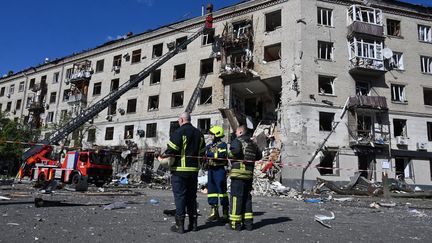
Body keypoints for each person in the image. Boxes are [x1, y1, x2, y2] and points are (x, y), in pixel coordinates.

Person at [163, 112, 205, 234]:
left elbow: (171, 150)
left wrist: (162, 157)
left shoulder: (178, 132)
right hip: (193, 172)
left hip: (180, 171)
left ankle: (179, 226)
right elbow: (202, 152)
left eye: (178, 120)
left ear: (181, 120)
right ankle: (194, 224)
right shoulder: (199, 134)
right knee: (192, 198)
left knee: (180, 197)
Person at [227, 125, 260, 231]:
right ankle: (248, 224)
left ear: (241, 132)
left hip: (238, 175)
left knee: (236, 198)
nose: (235, 133)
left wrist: (229, 154)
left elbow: (235, 151)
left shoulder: (238, 141)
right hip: (248, 175)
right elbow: (259, 156)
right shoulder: (253, 144)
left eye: (236, 132)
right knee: (247, 198)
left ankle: (235, 224)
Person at [205, 125, 229, 222]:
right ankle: (214, 212)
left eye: (212, 134)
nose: (210, 136)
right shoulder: (209, 146)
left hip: (219, 170)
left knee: (222, 191)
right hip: (211, 170)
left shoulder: (223, 145)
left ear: (217, 135)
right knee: (212, 191)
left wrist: (208, 154)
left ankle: (225, 211)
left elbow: (221, 155)